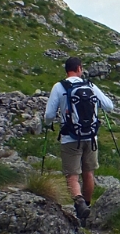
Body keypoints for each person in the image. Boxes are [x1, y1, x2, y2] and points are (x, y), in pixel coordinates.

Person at [44, 57, 114, 222]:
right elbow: (109, 106)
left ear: (66, 70)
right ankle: (87, 208)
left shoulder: (59, 87)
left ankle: (79, 203)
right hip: (91, 137)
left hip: (70, 138)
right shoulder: (90, 86)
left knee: (72, 176)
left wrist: (48, 124)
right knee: (88, 174)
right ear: (79, 68)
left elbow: (49, 115)